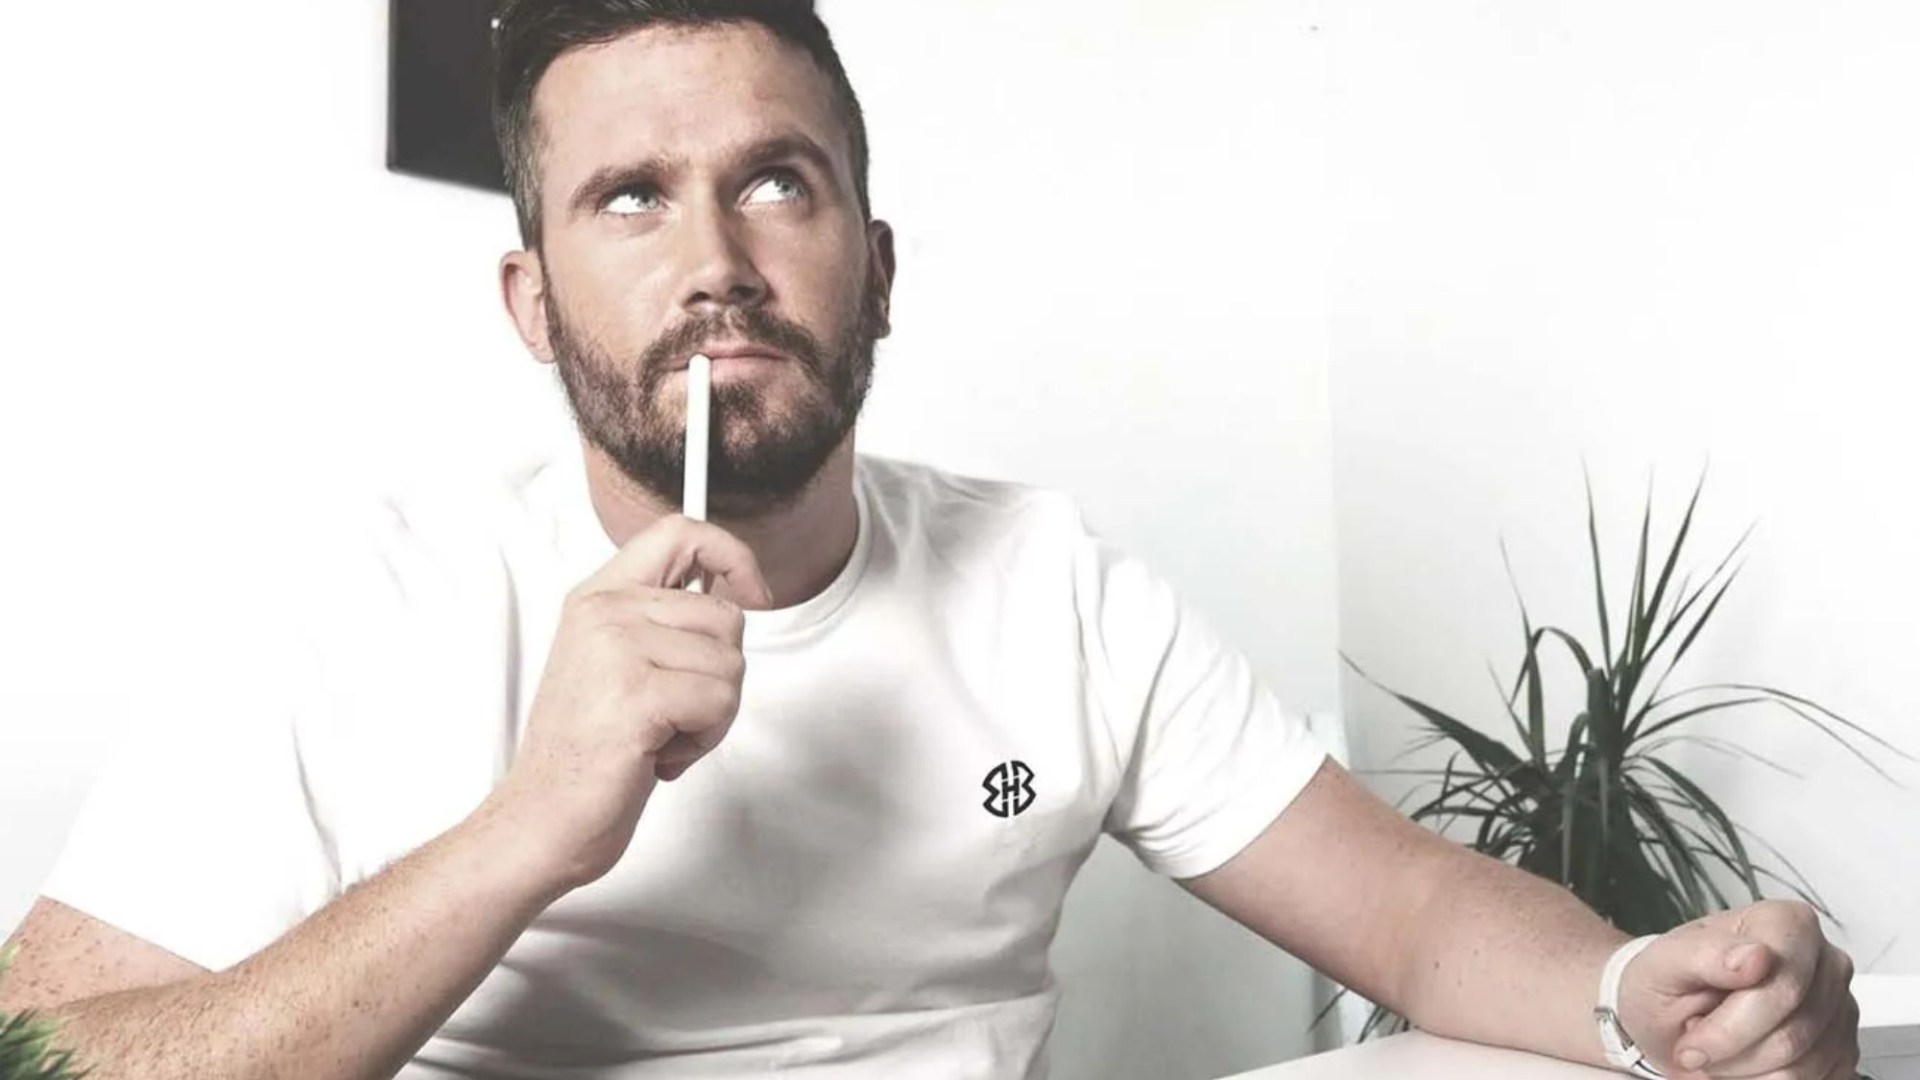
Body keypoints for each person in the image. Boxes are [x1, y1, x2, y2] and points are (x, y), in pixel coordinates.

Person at [0, 2, 1861, 1078]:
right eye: (631, 198)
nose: (717, 262)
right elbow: (49, 1054)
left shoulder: (1047, 585)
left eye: (776, 181)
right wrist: (527, 831)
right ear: (531, 304)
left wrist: (1635, 994)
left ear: (875, 269)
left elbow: (1416, 915)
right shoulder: (370, 606)